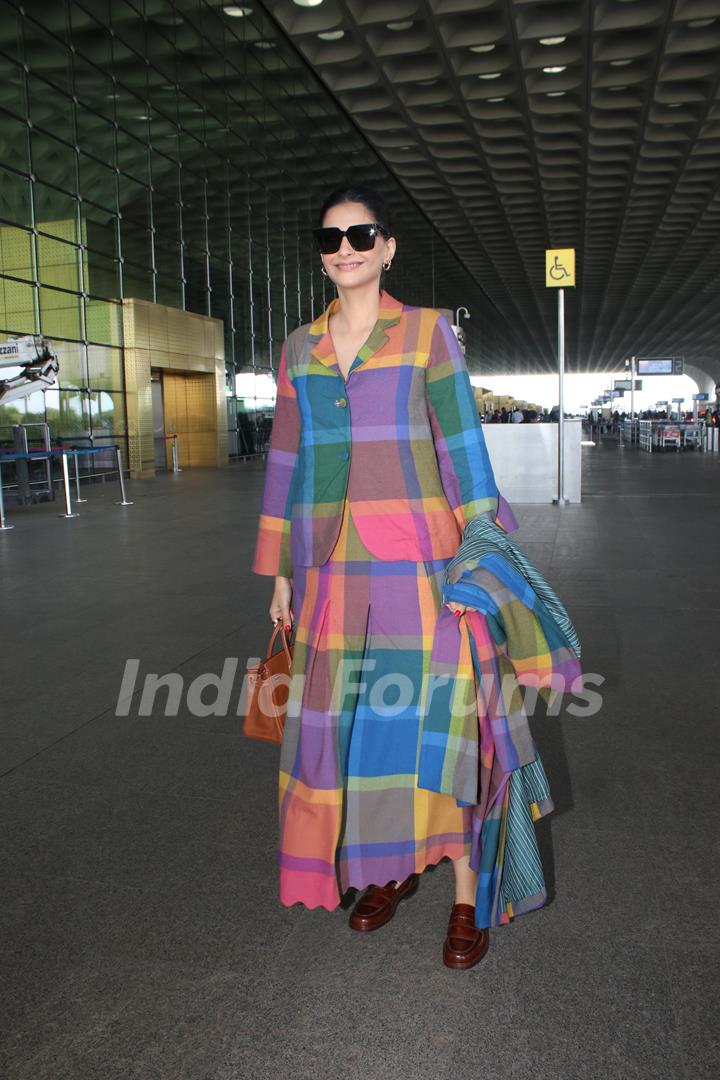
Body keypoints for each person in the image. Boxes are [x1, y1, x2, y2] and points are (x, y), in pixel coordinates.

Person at [252, 184, 516, 970]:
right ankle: (387, 870)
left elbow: (463, 446)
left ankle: (467, 896)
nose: (346, 249)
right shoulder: (301, 347)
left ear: (388, 246)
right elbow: (287, 461)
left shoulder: (429, 332)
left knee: (441, 727)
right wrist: (279, 571)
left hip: (422, 565)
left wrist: (481, 552)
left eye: (361, 235)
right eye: (331, 238)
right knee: (362, 731)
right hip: (334, 568)